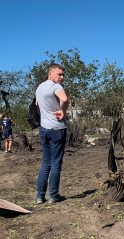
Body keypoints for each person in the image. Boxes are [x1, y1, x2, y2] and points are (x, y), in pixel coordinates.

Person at [35, 63, 69, 204]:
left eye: (62, 75)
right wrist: (63, 111)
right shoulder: (56, 86)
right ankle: (53, 196)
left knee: (45, 163)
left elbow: (37, 106)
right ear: (50, 73)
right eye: (59, 74)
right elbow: (65, 99)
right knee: (55, 163)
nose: (61, 77)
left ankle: (39, 196)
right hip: (57, 129)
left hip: (44, 129)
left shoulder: (40, 87)